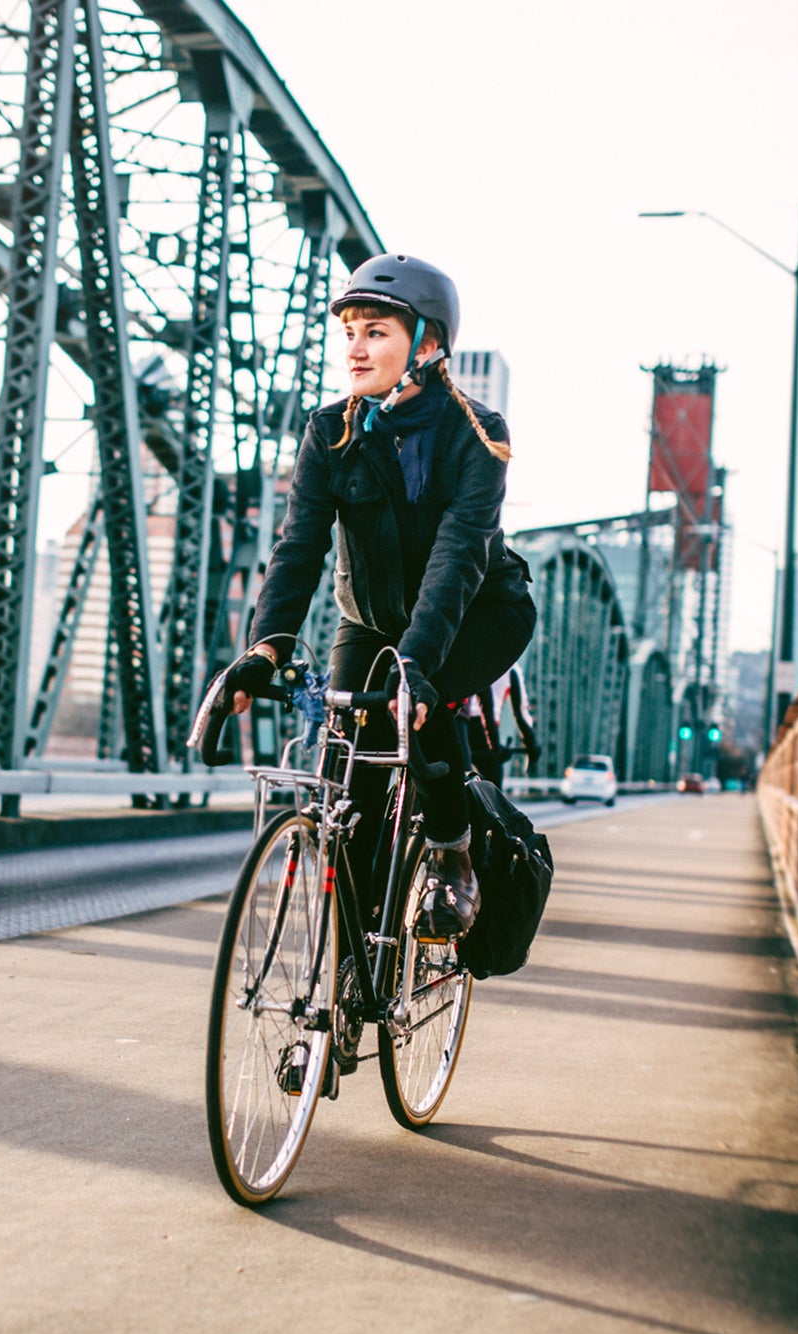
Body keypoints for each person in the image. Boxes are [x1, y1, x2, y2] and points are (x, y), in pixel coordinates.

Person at [215, 254, 535, 941]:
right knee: (348, 788)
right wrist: (266, 648)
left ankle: (451, 851)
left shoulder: (477, 433)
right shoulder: (329, 432)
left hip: (478, 614)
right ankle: (352, 976)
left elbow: (457, 558)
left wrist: (417, 664)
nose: (356, 348)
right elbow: (299, 548)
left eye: (377, 332)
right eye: (350, 332)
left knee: (422, 707)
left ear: (426, 344)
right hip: (369, 622)